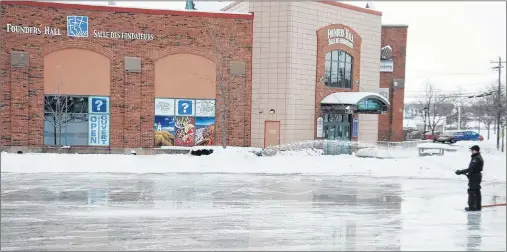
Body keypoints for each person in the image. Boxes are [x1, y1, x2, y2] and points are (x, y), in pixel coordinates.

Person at [455, 145, 484, 211]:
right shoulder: (477, 157)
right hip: (475, 175)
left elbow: (471, 168)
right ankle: (477, 206)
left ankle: (472, 207)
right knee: (476, 191)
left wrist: (460, 171)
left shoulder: (476, 158)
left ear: (475, 150)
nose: (471, 151)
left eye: (472, 150)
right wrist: (468, 174)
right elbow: (473, 169)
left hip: (475, 176)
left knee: (472, 191)